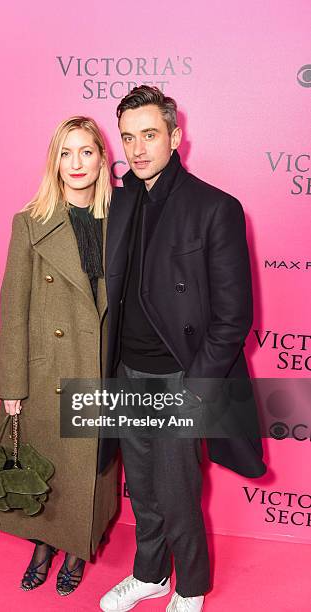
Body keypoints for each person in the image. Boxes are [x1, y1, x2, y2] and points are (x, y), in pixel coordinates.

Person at [99, 86, 266, 612]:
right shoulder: (120, 200)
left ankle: (190, 587)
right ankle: (149, 574)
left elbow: (234, 316)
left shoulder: (216, 207)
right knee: (143, 489)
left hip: (179, 377)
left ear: (175, 136)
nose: (139, 148)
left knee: (176, 493)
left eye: (150, 134)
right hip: (127, 372)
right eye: (128, 137)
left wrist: (197, 386)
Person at [0, 116, 117, 597]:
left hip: (103, 369)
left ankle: (75, 548)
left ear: (102, 158)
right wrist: (12, 388)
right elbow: (13, 308)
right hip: (49, 371)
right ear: (54, 162)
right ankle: (43, 544)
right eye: (66, 153)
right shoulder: (30, 223)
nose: (76, 163)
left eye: (86, 151)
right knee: (49, 465)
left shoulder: (123, 219)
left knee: (90, 470)